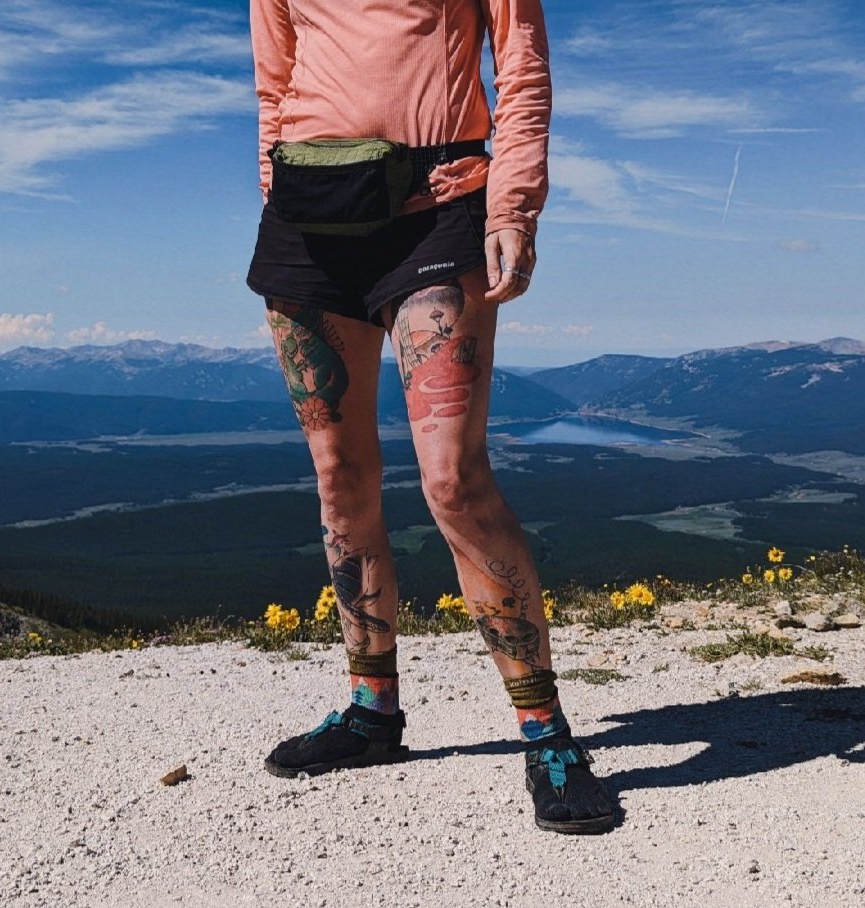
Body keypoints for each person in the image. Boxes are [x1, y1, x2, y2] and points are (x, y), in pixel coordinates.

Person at [245, 0, 618, 834]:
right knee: (340, 479)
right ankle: (371, 714)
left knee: (451, 479)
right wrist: (278, 178)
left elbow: (520, 70)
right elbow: (275, 81)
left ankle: (546, 733)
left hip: (440, 208)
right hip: (309, 221)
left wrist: (513, 205)